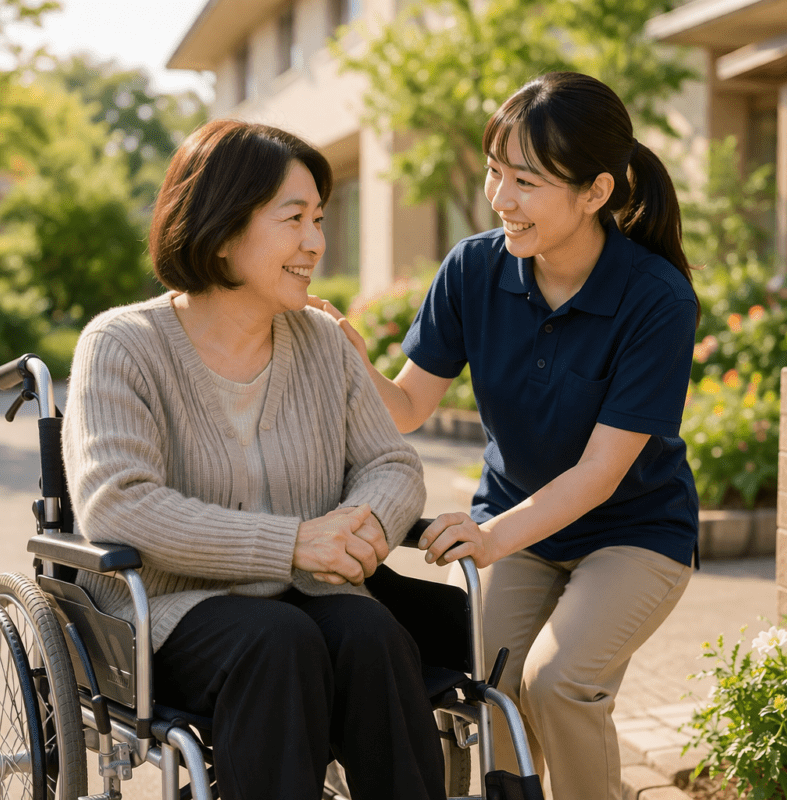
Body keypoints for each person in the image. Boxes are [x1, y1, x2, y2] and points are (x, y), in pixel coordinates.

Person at [312, 72, 700, 800]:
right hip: (521, 527)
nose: (501, 198)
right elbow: (406, 407)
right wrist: (352, 357)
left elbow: (600, 475)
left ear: (596, 192)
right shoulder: (474, 269)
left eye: (526, 181)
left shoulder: (656, 299)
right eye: (496, 172)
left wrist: (492, 538)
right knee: (494, 690)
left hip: (634, 532)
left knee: (558, 683)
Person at [62, 119, 446, 800]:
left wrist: (360, 530)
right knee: (278, 642)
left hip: (308, 597)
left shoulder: (323, 342)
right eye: (293, 218)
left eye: (320, 219)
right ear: (222, 224)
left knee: (373, 632)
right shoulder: (123, 344)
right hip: (167, 610)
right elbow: (118, 502)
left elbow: (393, 465)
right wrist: (296, 542)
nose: (316, 242)